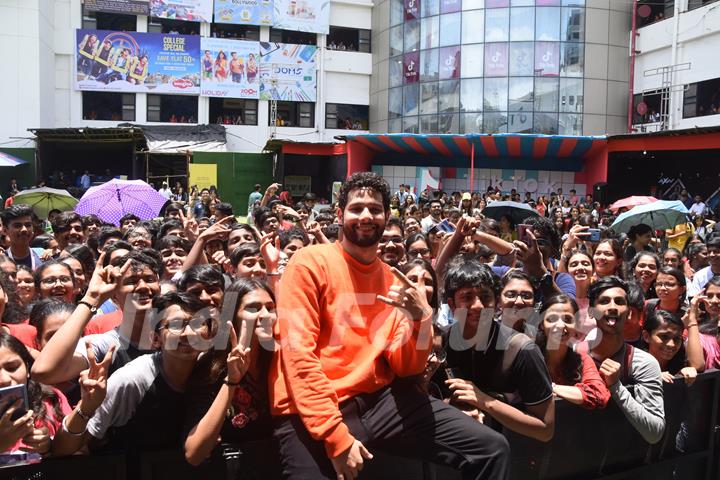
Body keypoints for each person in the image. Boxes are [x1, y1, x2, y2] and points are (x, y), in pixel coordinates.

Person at [269, 172, 510, 480]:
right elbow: (298, 354)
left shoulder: (393, 279)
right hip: (311, 408)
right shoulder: (308, 262)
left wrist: (420, 322)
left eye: (375, 208)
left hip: (381, 400)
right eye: (357, 208)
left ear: (386, 216)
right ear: (340, 214)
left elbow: (407, 367)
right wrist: (335, 435)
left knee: (492, 447)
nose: (366, 215)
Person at [54, 293, 217, 470]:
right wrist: (86, 407)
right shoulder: (132, 380)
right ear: (155, 339)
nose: (188, 333)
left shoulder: (212, 374)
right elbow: (64, 449)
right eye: (176, 325)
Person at [441, 260, 555, 442]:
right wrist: (450, 408)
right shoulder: (439, 343)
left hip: (512, 455)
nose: (478, 305)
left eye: (485, 297)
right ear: (452, 305)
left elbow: (545, 430)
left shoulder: (523, 350)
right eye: (467, 297)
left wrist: (485, 401)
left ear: (496, 303)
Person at [183, 279, 277, 473]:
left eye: (271, 307)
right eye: (253, 308)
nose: (266, 315)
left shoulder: (282, 358)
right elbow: (194, 453)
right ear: (231, 316)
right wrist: (232, 380)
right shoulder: (210, 368)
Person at [585, 277, 665, 444]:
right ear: (591, 311)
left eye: (619, 301)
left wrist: (616, 387)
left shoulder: (643, 363)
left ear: (629, 313)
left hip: (625, 463)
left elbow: (655, 432)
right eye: (604, 301)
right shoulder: (573, 355)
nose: (612, 307)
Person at [0, 332, 73, 456]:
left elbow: (79, 453)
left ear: (28, 368)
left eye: (12, 367)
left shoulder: (51, 399)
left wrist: (50, 447)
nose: (4, 379)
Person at [536, 295, 610, 409]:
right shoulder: (530, 358)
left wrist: (551, 388)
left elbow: (599, 395)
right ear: (541, 324)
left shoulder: (582, 359)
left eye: (567, 319)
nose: (560, 325)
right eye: (552, 319)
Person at [639, 308, 704, 385]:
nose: (671, 344)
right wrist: (653, 376)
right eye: (664, 337)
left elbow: (698, 366)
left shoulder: (680, 362)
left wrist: (683, 373)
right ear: (646, 336)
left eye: (677, 338)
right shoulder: (634, 364)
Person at [1, 204, 43, 270]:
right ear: (5, 230)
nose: (24, 229)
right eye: (17, 226)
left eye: (28, 225)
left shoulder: (43, 257)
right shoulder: (2, 261)